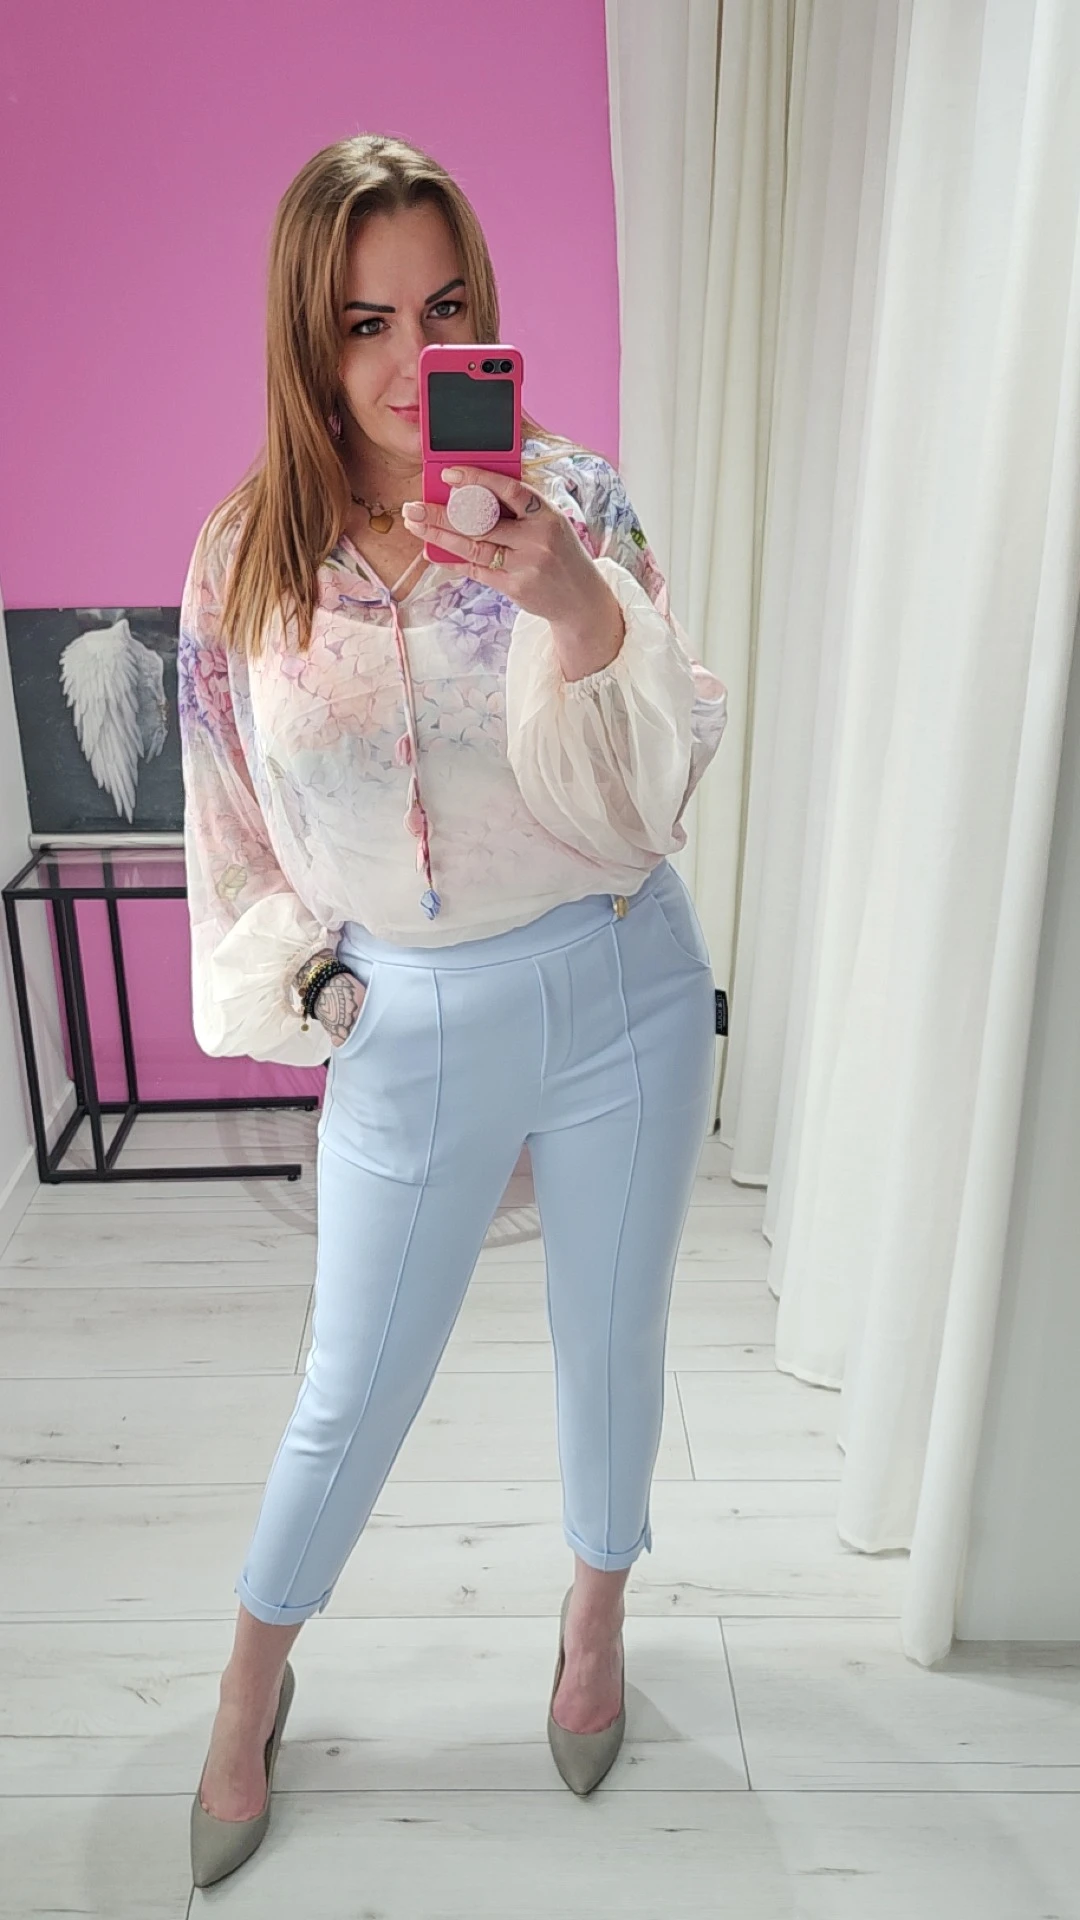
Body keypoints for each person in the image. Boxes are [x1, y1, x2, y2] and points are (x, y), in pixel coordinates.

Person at [179, 132, 728, 1888]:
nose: (416, 361)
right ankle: (250, 1682)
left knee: (613, 1339)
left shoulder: (580, 502)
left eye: (446, 308)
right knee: (351, 1388)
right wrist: (323, 996)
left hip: (622, 975)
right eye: (366, 323)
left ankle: (594, 1620)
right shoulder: (244, 563)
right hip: (407, 1017)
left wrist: (574, 606)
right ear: (307, 336)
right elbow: (234, 831)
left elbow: (653, 790)